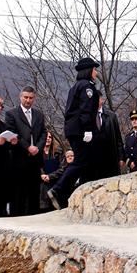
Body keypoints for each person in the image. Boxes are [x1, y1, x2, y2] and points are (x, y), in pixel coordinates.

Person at [47, 57, 100, 210]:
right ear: (89, 70)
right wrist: (88, 129)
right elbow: (86, 110)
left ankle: (71, 192)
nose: (96, 72)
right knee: (81, 161)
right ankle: (59, 190)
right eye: (94, 69)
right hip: (81, 130)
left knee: (86, 162)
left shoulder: (76, 86)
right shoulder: (86, 87)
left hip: (73, 129)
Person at [5, 86, 47, 216]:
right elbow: (13, 133)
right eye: (26, 97)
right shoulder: (11, 114)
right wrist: (28, 147)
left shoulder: (39, 115)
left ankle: (33, 218)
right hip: (19, 159)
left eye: (31, 98)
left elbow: (43, 133)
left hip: (35, 160)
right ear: (20, 97)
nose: (28, 100)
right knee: (19, 194)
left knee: (34, 192)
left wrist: (38, 148)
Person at [88, 91, 125, 180]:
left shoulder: (111, 116)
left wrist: (121, 157)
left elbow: (118, 138)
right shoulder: (88, 117)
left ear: (102, 100)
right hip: (95, 160)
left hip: (111, 157)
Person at [38, 132, 62, 212]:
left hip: (55, 181)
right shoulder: (38, 154)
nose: (48, 139)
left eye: (50, 137)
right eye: (46, 137)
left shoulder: (57, 153)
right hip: (42, 183)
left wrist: (50, 176)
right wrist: (42, 175)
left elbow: (62, 168)